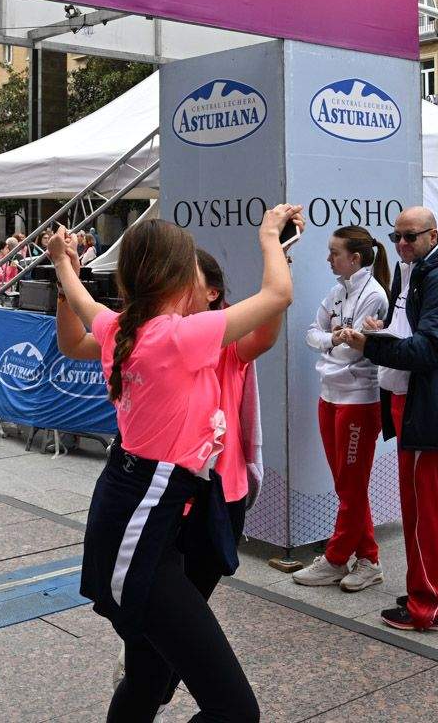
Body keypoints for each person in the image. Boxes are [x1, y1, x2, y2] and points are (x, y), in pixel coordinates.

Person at [50, 206, 300, 722]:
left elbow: (81, 300)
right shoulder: (180, 336)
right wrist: (268, 236)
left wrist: (62, 264)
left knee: (148, 676)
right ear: (181, 276)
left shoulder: (122, 326)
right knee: (233, 711)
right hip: (143, 528)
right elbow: (278, 295)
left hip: (137, 513)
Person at [339, 207, 438, 634]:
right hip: (418, 404)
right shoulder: (416, 272)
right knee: (432, 506)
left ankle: (429, 606)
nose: (401, 244)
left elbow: (432, 347)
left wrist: (370, 345)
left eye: (410, 236)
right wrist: (382, 329)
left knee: (422, 512)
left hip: (430, 409)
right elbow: (411, 330)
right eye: (395, 236)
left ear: (432, 235)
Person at [291, 226, 391, 593]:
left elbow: (353, 351)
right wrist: (332, 338)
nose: (328, 259)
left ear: (355, 258)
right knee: (346, 485)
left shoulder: (374, 295)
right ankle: (368, 559)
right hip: (329, 395)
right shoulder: (337, 292)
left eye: (334, 253)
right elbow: (311, 334)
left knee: (350, 485)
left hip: (359, 399)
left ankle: (336, 558)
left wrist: (331, 341)